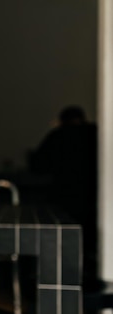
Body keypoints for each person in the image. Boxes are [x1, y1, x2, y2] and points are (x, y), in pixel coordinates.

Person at [30, 105, 98, 283]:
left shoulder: (58, 135)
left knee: (66, 244)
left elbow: (38, 165)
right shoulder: (95, 132)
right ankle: (89, 280)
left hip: (65, 197)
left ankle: (68, 281)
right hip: (94, 199)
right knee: (91, 244)